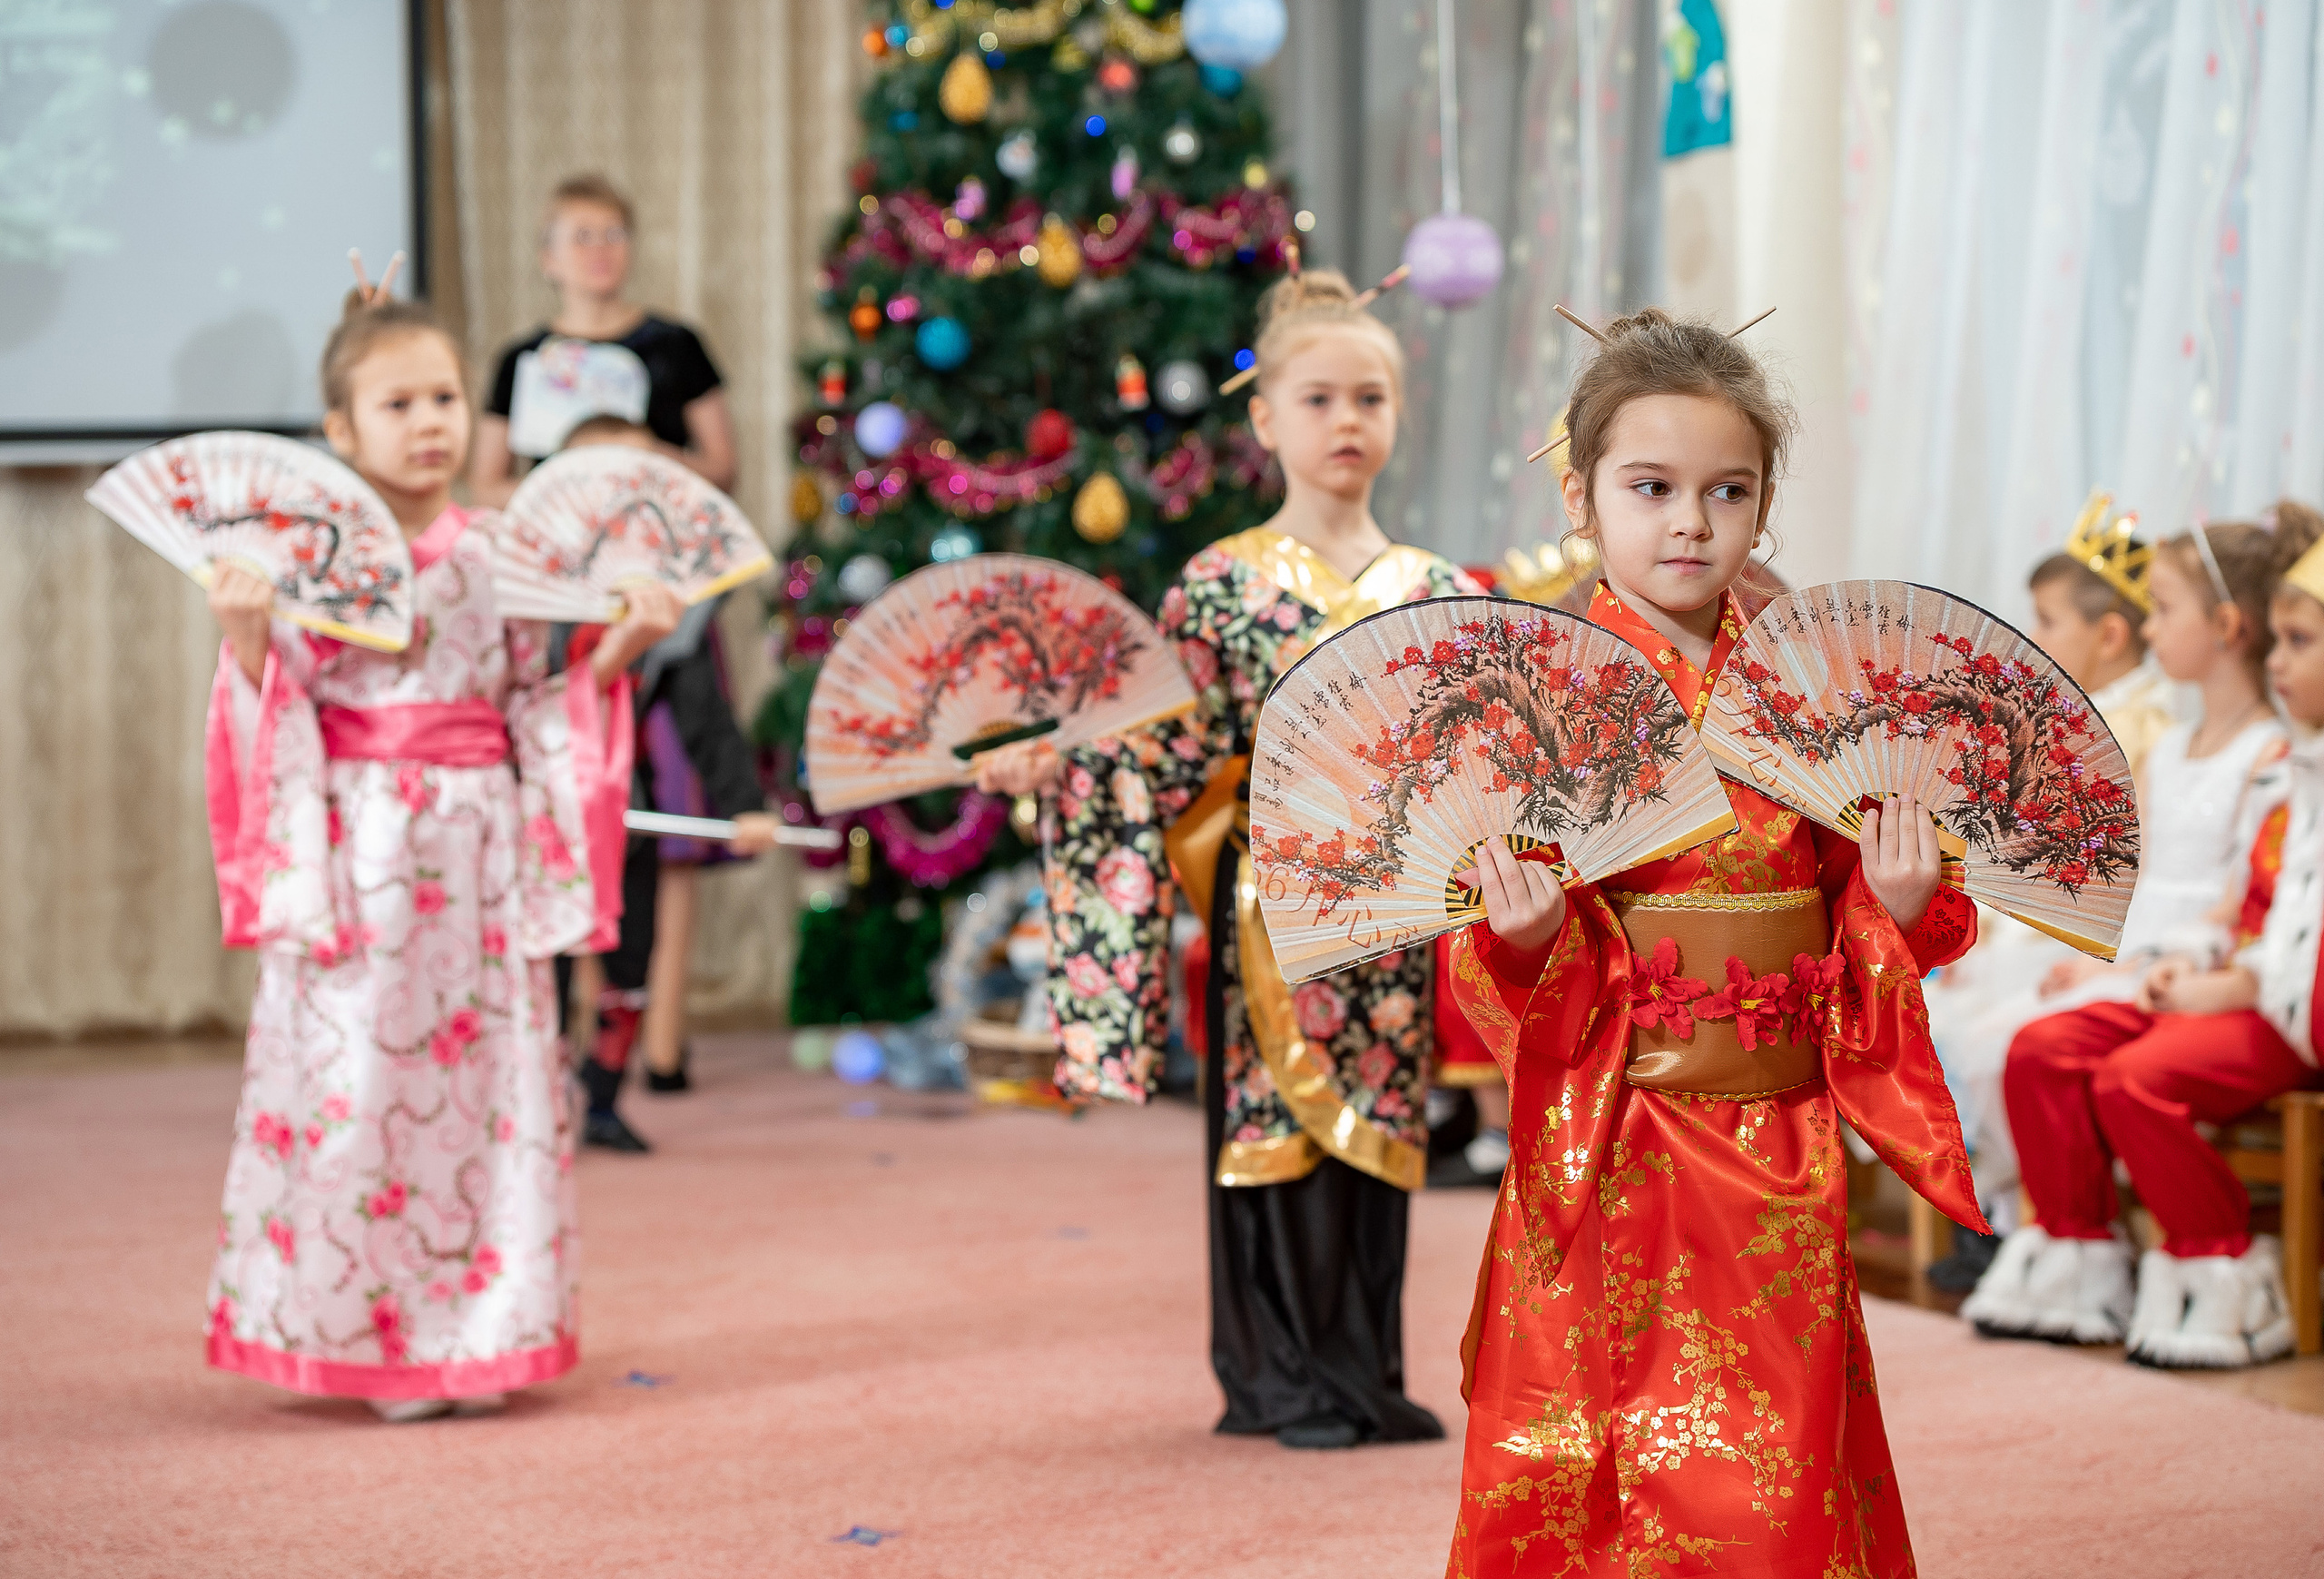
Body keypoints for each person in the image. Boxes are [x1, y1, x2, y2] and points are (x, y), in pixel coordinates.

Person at [1445, 307, 1984, 1574]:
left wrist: (1896, 901)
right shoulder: (1533, 697)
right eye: (1652, 487)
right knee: (1587, 1442)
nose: (1690, 522)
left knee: (1776, 1447)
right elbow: (1481, 951)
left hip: (1779, 1135)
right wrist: (1527, 940)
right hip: (1612, 1123)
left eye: (1726, 490)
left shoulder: (1813, 691)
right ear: (1581, 496)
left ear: (1763, 504)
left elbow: (1866, 907)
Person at [980, 270, 1478, 1450]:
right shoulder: (1217, 587)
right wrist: (1060, 761)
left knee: (1379, 1119)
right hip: (1271, 903)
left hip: (1394, 909)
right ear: (1264, 419)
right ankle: (1277, 1376)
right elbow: (1155, 745)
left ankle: (1363, 1368)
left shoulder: (1438, 589)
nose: (1346, 420)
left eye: (1369, 398)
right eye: (1319, 399)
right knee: (1273, 1124)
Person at [201, 277, 680, 1421]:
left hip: (480, 853)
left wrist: (620, 645)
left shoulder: (503, 549)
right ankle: (371, 1333)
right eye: (398, 402)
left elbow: (537, 707)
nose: (430, 423)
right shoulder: (304, 559)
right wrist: (247, 634)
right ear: (339, 427)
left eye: (446, 398)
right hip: (356, 850)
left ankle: (481, 1329)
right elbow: (275, 715)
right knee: (357, 1082)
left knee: (489, 1085)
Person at [1965, 506, 2324, 1362]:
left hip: (2267, 999)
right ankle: (2078, 1256)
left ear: (2224, 627)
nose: (2281, 662)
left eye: (2300, 642)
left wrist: (2212, 975)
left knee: (2132, 1078)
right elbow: (2239, 901)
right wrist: (2156, 964)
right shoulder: (2264, 763)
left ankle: (2220, 1261)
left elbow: (2264, 923)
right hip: (2204, 968)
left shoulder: (2277, 761)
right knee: (2040, 1049)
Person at [1919, 505, 2182, 1288]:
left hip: (2086, 942)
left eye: (2049, 620)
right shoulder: (2065, 719)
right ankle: (1991, 1214)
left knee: (1985, 1036)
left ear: (2112, 635)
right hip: (2035, 934)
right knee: (1927, 1012)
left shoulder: (2141, 730)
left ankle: (2020, 1219)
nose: (2034, 637)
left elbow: (2110, 874)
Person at [551, 419, 777, 1149]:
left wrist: (744, 805)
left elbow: (703, 713)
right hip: (533, 813)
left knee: (631, 959)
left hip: (626, 804)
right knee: (543, 967)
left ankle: (603, 1098)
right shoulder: (522, 590)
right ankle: (533, 1102)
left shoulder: (669, 602)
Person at [468, 173, 735, 507]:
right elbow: (485, 489)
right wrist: (567, 482)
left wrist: (645, 456)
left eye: (614, 234)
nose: (600, 249)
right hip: (560, 531)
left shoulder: (677, 345)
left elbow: (723, 472)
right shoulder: (523, 359)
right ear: (549, 258)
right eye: (582, 236)